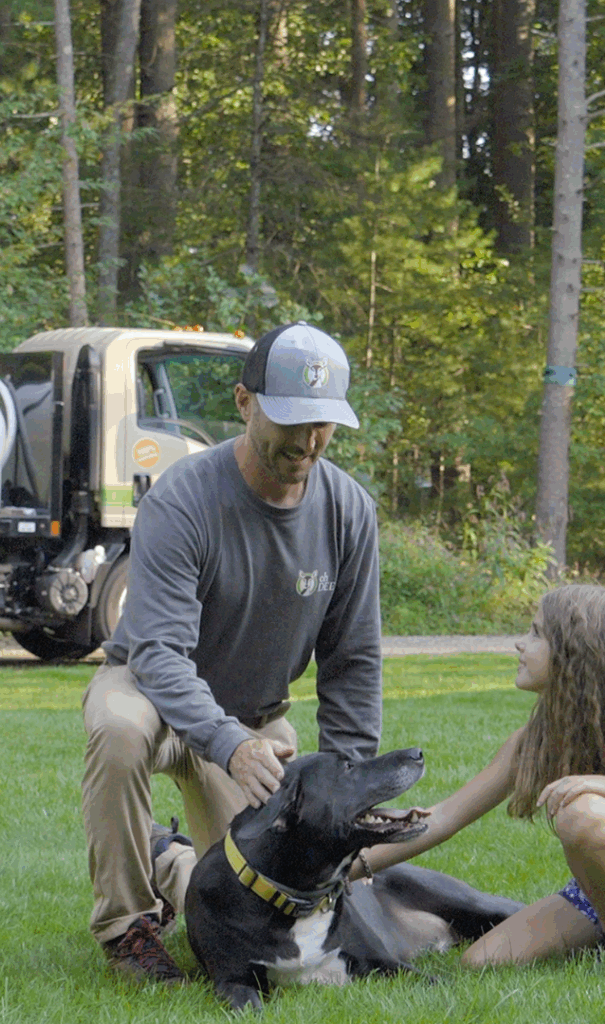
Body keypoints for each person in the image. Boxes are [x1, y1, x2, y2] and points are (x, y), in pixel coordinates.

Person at [82, 322, 383, 983]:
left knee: (243, 908)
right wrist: (226, 743)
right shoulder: (184, 498)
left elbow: (353, 661)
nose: (306, 443)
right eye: (291, 421)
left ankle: (169, 862)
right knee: (117, 730)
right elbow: (159, 650)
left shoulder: (349, 512)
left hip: (256, 716)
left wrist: (348, 788)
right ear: (244, 403)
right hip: (153, 692)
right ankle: (127, 929)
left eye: (323, 426)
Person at [358, 584, 605, 969]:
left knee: (582, 811)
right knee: (480, 962)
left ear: (577, 655)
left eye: (536, 634)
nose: (520, 644)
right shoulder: (534, 741)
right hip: (604, 891)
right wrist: (345, 868)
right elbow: (445, 817)